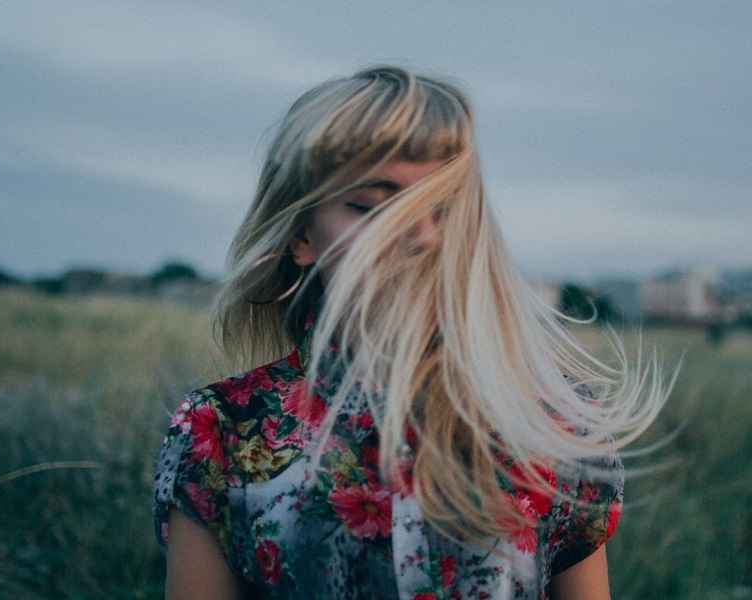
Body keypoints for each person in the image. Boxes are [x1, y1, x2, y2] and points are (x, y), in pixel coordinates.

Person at [153, 66, 669, 599]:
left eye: (442, 208)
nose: (421, 236)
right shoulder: (221, 431)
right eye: (374, 206)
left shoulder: (552, 422)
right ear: (301, 234)